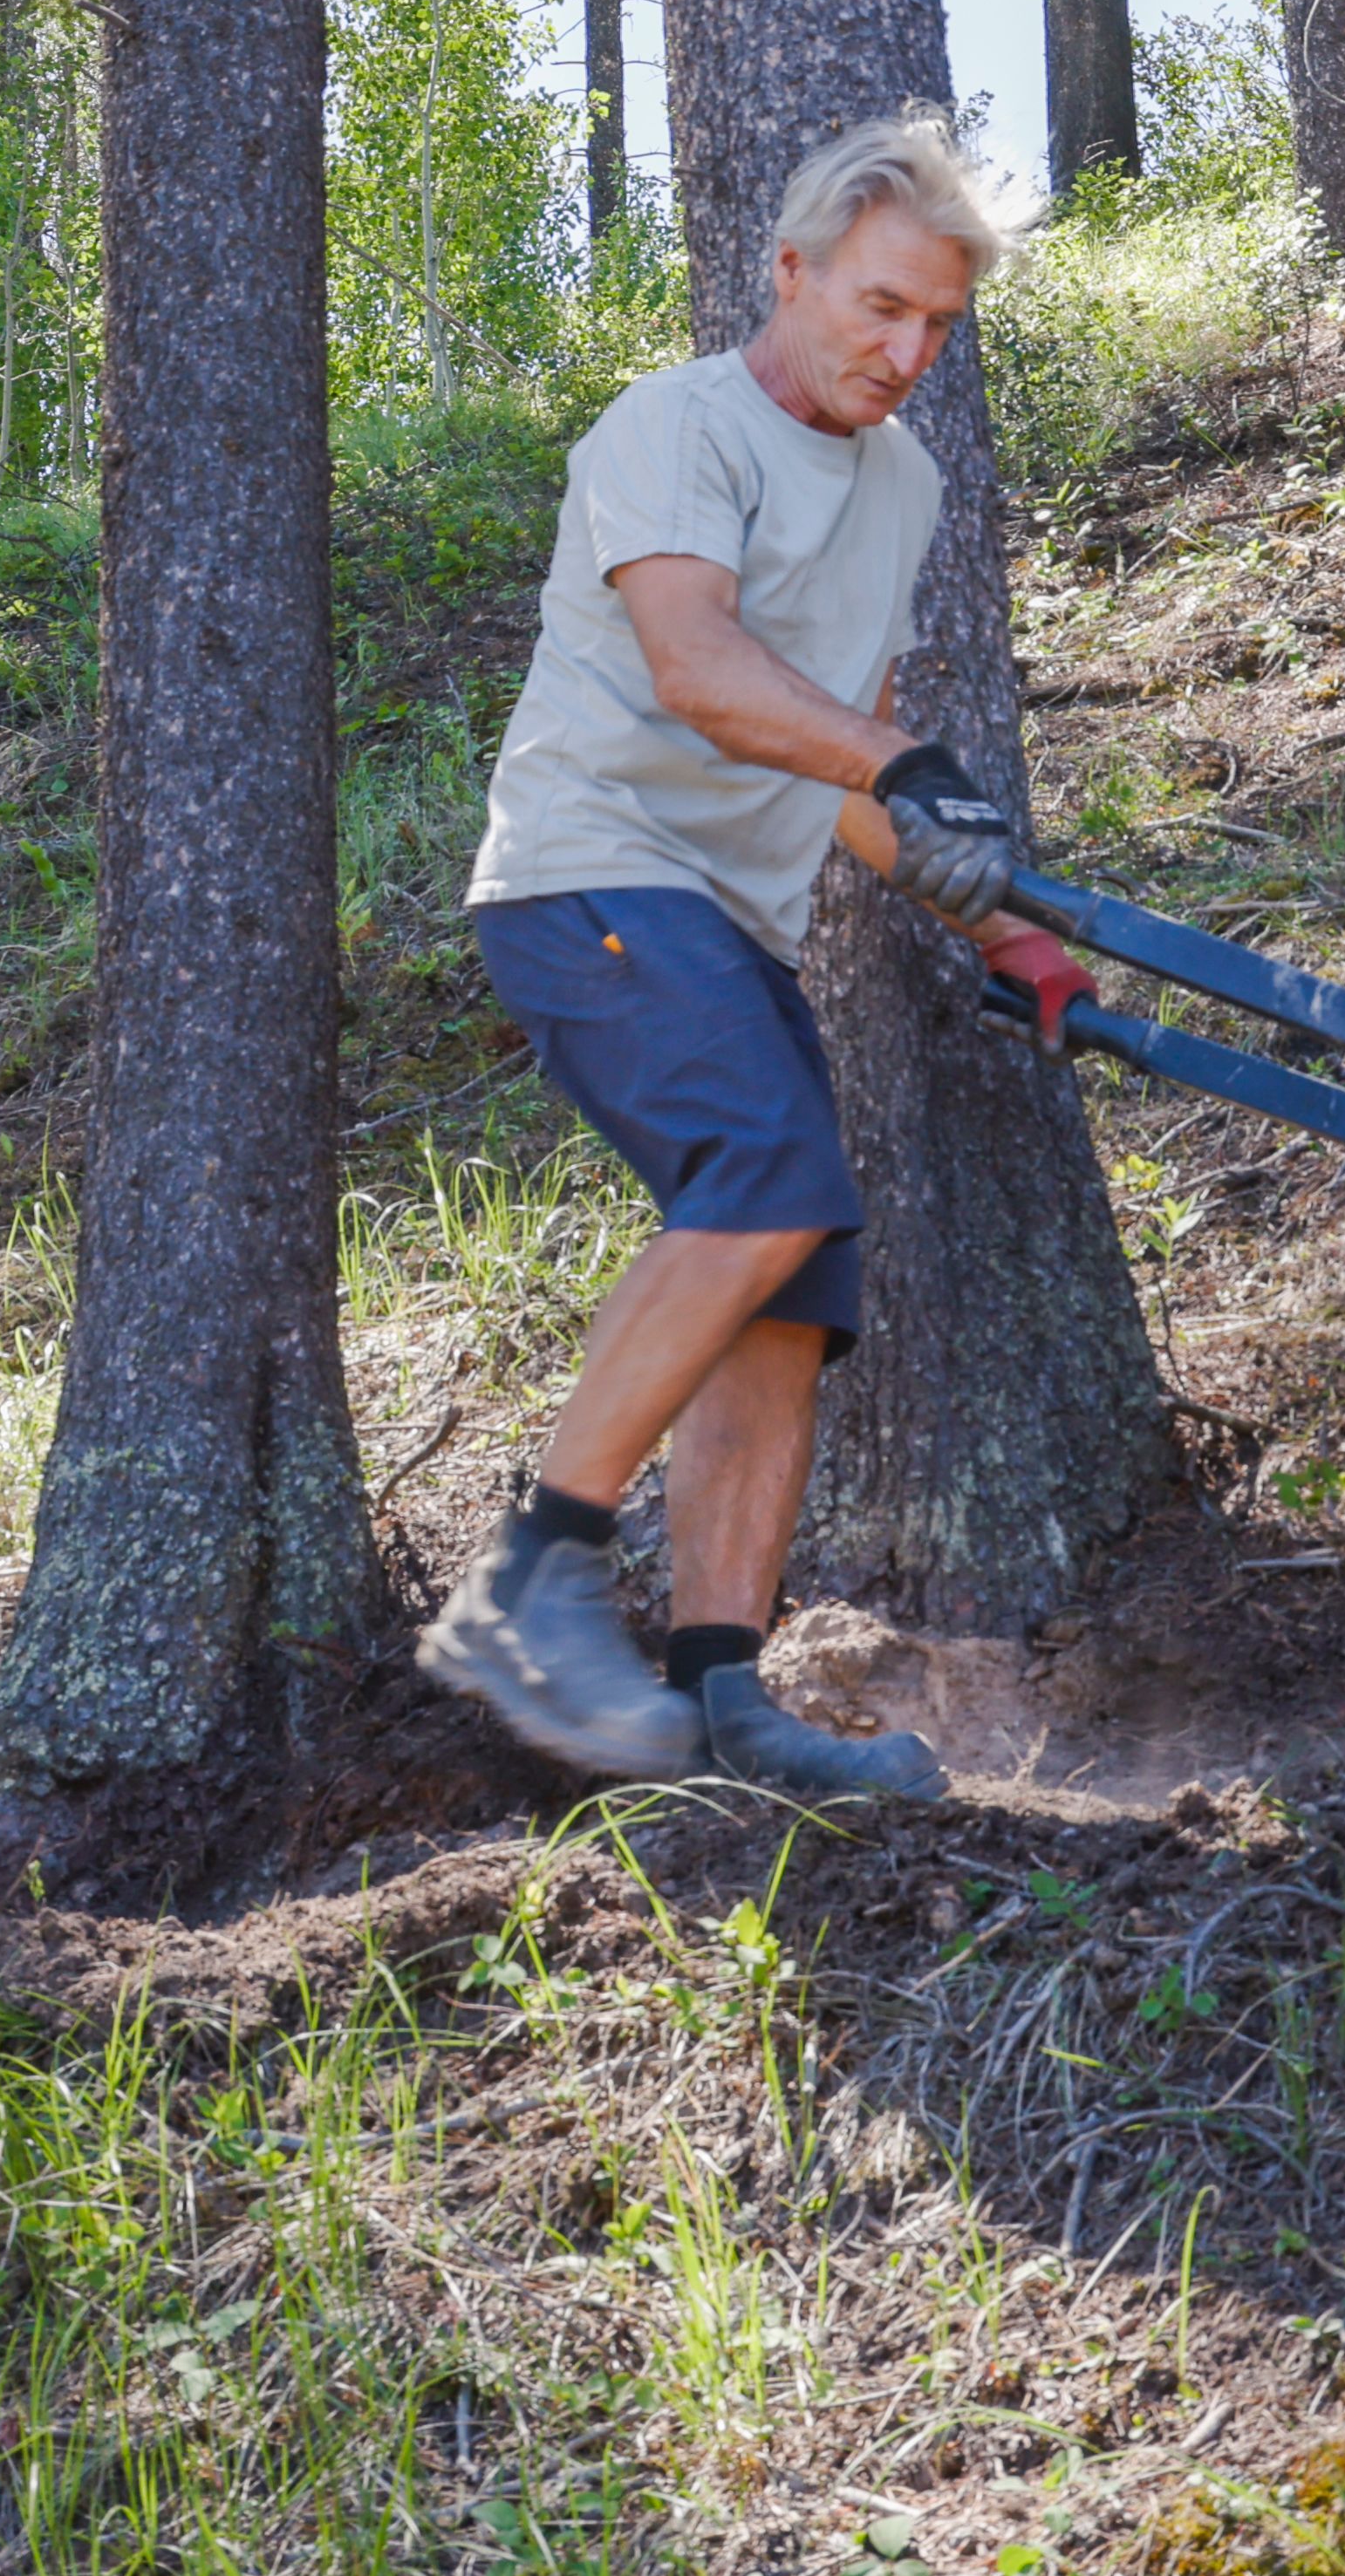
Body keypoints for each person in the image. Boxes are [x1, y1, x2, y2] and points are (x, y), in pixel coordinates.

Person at [423, 108, 1096, 1803]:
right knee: (767, 1174)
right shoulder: (675, 428)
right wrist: (893, 768)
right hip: (589, 876)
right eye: (877, 305)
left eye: (936, 324)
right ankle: (529, 1581)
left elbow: (851, 758)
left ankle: (720, 1693)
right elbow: (706, 673)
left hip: (726, 922)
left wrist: (1002, 922)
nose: (904, 350)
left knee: (788, 1294)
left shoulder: (908, 482)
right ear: (788, 272)